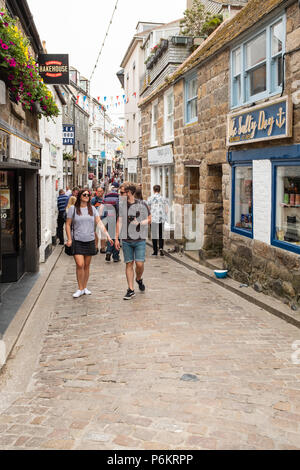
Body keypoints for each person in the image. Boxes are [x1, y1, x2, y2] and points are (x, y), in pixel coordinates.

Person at [66, 189, 113, 298]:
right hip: (77, 240)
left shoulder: (92, 209)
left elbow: (99, 223)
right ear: (80, 196)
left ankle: (84, 287)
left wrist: (108, 236)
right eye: (84, 194)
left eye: (88, 195)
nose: (87, 196)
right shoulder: (73, 209)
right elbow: (67, 224)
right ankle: (80, 288)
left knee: (86, 266)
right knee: (80, 264)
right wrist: (69, 239)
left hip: (90, 240)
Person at [115, 184, 151, 300]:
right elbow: (119, 221)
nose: (120, 195)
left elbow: (150, 219)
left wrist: (140, 223)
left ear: (129, 193)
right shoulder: (122, 206)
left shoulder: (142, 204)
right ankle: (130, 289)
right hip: (126, 239)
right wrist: (116, 238)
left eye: (121, 193)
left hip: (140, 239)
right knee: (129, 263)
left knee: (139, 264)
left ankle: (138, 279)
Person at [147, 185, 168, 257]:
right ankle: (161, 248)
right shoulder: (163, 198)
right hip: (161, 218)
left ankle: (155, 251)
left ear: (153, 190)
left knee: (154, 235)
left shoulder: (150, 198)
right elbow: (166, 209)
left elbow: (148, 208)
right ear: (160, 190)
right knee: (161, 234)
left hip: (153, 218)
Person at [102, 183, 120, 263]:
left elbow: (103, 208)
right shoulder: (118, 197)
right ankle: (115, 256)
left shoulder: (106, 197)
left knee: (110, 235)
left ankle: (109, 251)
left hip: (108, 217)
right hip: (116, 218)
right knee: (116, 236)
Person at [91, 186, 106, 254]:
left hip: (104, 218)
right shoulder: (94, 199)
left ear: (103, 192)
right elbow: (91, 208)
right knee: (96, 233)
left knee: (103, 233)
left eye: (100, 191)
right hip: (95, 219)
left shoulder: (105, 199)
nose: (99, 193)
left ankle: (103, 247)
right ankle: (95, 247)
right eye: (98, 191)